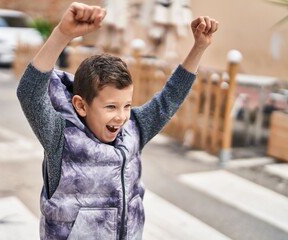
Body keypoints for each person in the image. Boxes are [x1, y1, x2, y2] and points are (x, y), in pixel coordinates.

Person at [17, 2, 218, 239]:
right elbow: (29, 93)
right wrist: (63, 34)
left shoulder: (135, 128)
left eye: (127, 105)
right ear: (81, 105)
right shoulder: (61, 138)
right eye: (111, 106)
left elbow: (169, 99)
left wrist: (199, 48)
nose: (121, 116)